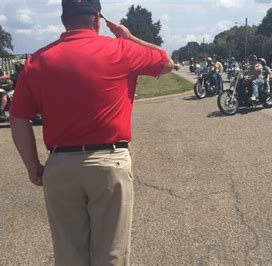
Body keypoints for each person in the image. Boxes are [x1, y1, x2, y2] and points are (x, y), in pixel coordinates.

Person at [9, 0, 175, 265]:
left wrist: (33, 166)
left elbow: (18, 119)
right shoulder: (122, 49)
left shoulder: (38, 60)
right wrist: (130, 37)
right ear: (97, 19)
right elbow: (167, 62)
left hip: (61, 165)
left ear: (64, 19)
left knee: (69, 255)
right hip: (109, 162)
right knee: (111, 255)